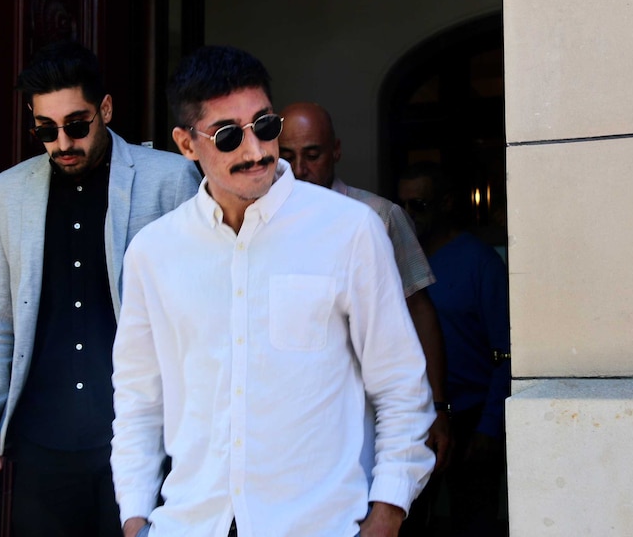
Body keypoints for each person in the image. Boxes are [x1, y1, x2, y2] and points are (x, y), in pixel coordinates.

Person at [110, 45, 435, 537]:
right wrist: (136, 519)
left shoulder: (349, 231)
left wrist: (387, 514)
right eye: (227, 136)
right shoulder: (153, 253)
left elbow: (400, 386)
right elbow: (138, 401)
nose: (255, 151)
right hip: (191, 523)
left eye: (264, 126)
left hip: (320, 525)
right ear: (186, 143)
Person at [0, 40, 201, 537]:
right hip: (42, 437)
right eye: (45, 130)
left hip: (141, 436)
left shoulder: (171, 180)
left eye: (76, 125)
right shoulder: (9, 190)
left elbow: (199, 311)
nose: (62, 143)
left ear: (106, 109)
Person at [278, 102, 452, 476]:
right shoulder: (261, 221)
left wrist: (437, 406)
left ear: (336, 150)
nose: (300, 170)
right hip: (291, 423)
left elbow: (420, 311)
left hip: (371, 415)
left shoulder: (379, 216)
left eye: (312, 155)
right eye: (287, 156)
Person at [398, 161, 510, 536]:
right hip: (413, 417)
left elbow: (506, 352)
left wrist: (490, 428)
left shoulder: (480, 263)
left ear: (445, 203)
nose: (411, 216)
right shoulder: (394, 261)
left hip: (470, 414)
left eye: (421, 206)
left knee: (472, 524)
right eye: (405, 206)